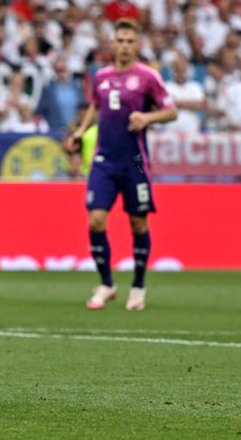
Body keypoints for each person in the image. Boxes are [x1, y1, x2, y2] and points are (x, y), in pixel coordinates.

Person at [65, 19, 177, 311]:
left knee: (138, 221)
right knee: (96, 220)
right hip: (104, 159)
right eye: (120, 40)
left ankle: (138, 286)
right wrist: (80, 131)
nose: (125, 46)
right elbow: (95, 105)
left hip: (135, 162)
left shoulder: (148, 77)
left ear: (137, 45)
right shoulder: (101, 76)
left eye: (130, 41)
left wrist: (147, 118)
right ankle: (106, 283)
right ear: (112, 44)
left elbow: (171, 111)